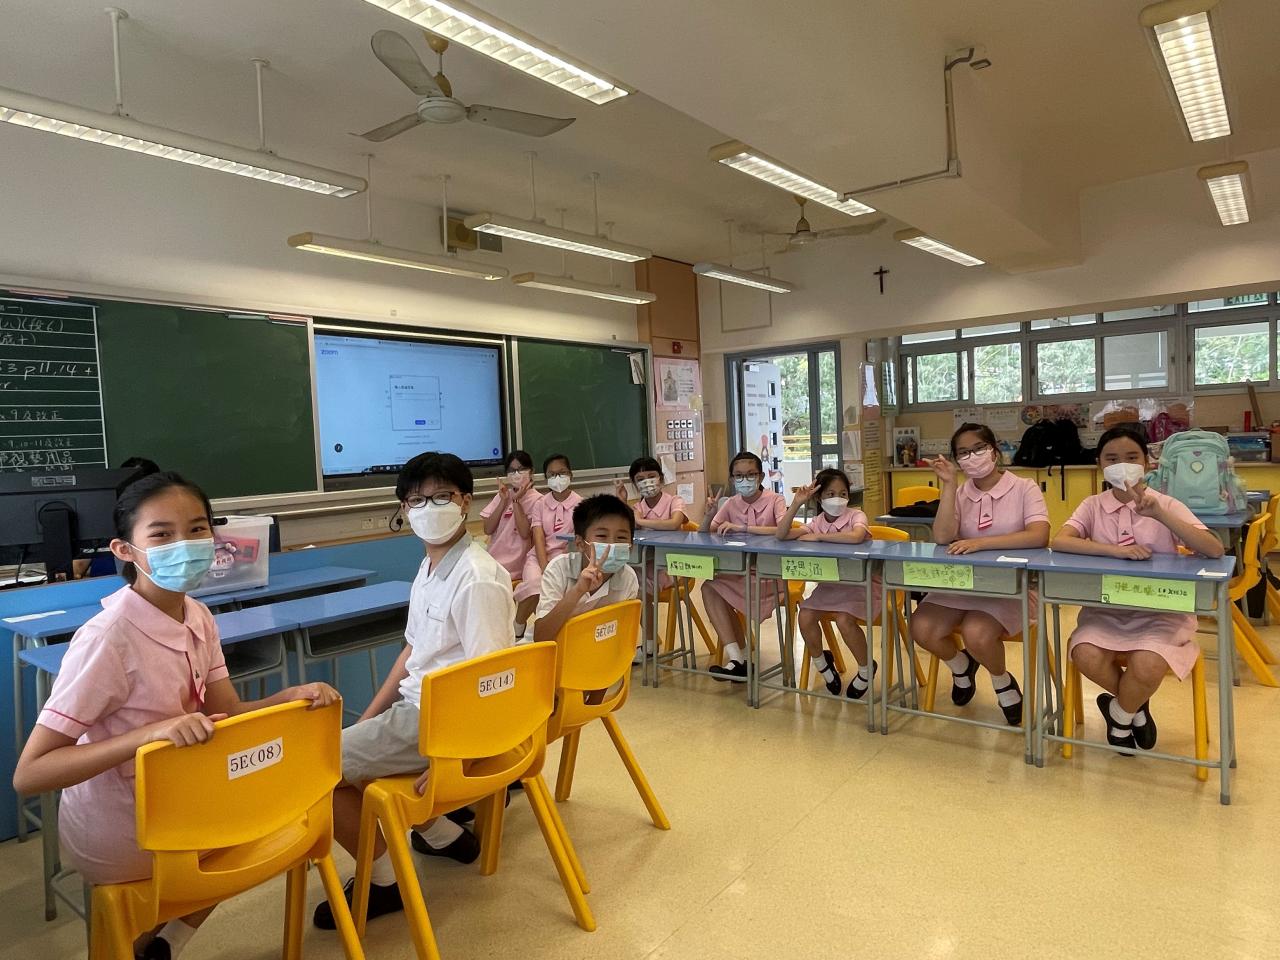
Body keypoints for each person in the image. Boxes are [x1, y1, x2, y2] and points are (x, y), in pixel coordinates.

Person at [12, 472, 338, 960]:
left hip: (186, 798)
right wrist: (151, 734)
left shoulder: (197, 615)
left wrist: (285, 699)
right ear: (125, 550)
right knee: (245, 834)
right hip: (125, 825)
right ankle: (151, 941)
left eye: (197, 529)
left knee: (273, 819)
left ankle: (165, 944)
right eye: (162, 534)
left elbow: (226, 713)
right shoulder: (107, 639)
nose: (184, 544)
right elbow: (31, 775)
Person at [314, 452, 516, 930]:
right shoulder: (429, 567)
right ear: (404, 509)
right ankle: (445, 836)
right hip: (417, 711)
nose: (429, 508)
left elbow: (493, 681)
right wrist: (368, 720)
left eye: (442, 497)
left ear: (465, 502)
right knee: (349, 748)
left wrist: (455, 756)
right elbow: (412, 652)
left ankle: (386, 883)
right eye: (417, 500)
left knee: (316, 768)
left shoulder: (476, 578)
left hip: (439, 721)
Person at [1051, 426, 1224, 751]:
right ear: (1100, 464)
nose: (1122, 465)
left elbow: (1214, 549)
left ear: (1147, 462)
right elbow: (1060, 541)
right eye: (1111, 459)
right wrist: (1116, 551)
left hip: (1161, 612)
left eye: (1131, 458)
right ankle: (1135, 707)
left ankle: (1119, 714)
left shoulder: (1165, 503)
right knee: (1084, 654)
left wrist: (1160, 514)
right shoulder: (1092, 505)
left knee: (1148, 664)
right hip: (1105, 611)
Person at [909, 423, 1050, 726]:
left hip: (1011, 585)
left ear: (994, 451)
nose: (972, 456)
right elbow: (942, 537)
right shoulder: (960, 492)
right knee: (921, 627)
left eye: (978, 449)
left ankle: (1002, 682)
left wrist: (980, 543)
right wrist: (949, 486)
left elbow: (1039, 535)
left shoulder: (1024, 487)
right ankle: (962, 666)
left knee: (976, 633)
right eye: (963, 452)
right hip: (963, 582)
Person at [775, 468, 878, 699]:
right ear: (819, 498)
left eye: (843, 493)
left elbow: (856, 537)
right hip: (830, 587)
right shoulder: (816, 521)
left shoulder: (856, 516)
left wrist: (820, 537)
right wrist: (796, 504)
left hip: (861, 586)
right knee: (805, 616)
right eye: (831, 494)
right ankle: (823, 665)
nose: (837, 499)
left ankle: (865, 669)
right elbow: (781, 535)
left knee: (844, 620)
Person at [699, 451, 787, 681]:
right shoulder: (730, 503)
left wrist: (743, 528)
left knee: (718, 590)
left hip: (769, 575)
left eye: (750, 474)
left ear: (761, 477)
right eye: (738, 475)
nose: (744, 480)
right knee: (709, 588)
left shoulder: (775, 500)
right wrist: (708, 516)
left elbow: (783, 531)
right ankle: (738, 658)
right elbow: (705, 533)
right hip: (738, 573)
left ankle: (741, 660)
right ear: (732, 479)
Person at [532, 494, 638, 645]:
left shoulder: (628, 577)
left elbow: (620, 638)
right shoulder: (559, 569)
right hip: (555, 654)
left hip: (597, 654)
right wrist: (578, 590)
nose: (612, 545)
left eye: (621, 538)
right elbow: (541, 636)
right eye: (602, 535)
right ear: (580, 543)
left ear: (631, 546)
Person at [480, 450, 541, 640]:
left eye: (521, 469)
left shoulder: (538, 500)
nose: (516, 474)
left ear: (531, 472)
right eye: (512, 470)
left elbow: (524, 533)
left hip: (516, 565)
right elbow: (488, 528)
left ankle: (514, 631)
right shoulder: (502, 495)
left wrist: (515, 501)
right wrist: (504, 500)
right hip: (493, 561)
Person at [527, 454, 583, 617]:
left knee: (559, 594)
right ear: (546, 478)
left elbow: (579, 541)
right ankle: (519, 625)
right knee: (534, 586)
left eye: (562, 473)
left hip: (567, 560)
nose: (557, 478)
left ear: (571, 474)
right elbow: (538, 537)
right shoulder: (540, 503)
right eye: (552, 474)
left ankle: (547, 627)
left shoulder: (581, 504)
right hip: (539, 557)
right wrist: (545, 566)